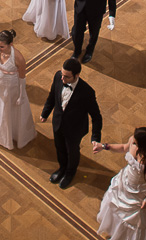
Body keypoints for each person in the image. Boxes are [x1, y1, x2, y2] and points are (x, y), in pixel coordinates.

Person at [93, 127, 146, 240]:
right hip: (125, 183)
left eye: (136, 142)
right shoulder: (132, 141)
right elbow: (122, 148)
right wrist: (103, 146)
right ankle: (114, 231)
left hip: (141, 191)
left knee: (136, 221)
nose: (133, 143)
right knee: (116, 207)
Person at [39, 57, 103, 190]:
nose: (62, 78)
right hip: (58, 123)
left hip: (74, 129)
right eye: (62, 75)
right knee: (59, 148)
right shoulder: (58, 76)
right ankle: (62, 168)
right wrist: (45, 113)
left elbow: (96, 117)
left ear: (76, 75)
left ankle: (70, 173)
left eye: (67, 77)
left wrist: (95, 138)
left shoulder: (87, 92)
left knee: (72, 152)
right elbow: (52, 96)